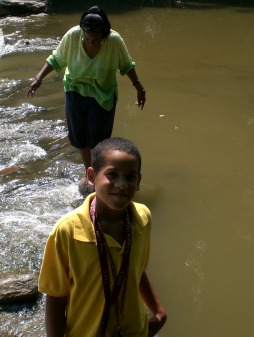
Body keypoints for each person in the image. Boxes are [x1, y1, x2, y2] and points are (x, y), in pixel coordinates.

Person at [38, 137, 167, 337]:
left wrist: (159, 312)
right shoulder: (67, 232)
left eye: (130, 177)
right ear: (92, 176)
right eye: (112, 175)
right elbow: (55, 297)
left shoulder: (142, 219)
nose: (122, 184)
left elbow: (136, 268)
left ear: (139, 181)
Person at [26, 6, 147, 186]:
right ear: (82, 32)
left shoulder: (114, 41)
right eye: (87, 38)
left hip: (103, 94)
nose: (90, 42)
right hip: (75, 90)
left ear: (104, 35)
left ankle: (98, 174)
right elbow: (56, 59)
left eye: (95, 40)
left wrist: (139, 87)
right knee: (80, 136)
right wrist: (38, 78)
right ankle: (90, 174)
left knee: (98, 140)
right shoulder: (73, 36)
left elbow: (126, 66)